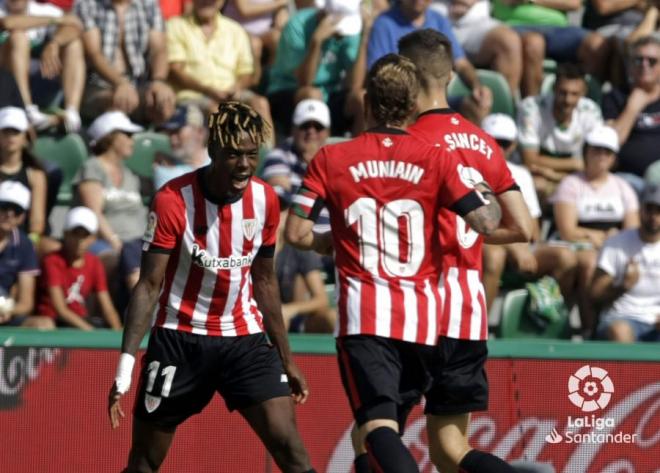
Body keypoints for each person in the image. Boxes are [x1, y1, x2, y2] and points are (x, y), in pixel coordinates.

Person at [285, 53, 505, 473]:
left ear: (366, 103)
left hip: (366, 317)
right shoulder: (438, 158)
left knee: (376, 427)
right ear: (411, 107)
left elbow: (294, 233)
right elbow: (488, 222)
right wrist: (481, 186)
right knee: (376, 438)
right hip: (423, 322)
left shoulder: (331, 159)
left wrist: (330, 241)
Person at [107, 101, 316, 473]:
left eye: (252, 155)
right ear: (214, 150)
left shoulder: (265, 199)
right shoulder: (173, 200)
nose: (244, 165)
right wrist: (125, 366)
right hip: (179, 339)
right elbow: (149, 285)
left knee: (292, 451)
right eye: (234, 155)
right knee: (143, 463)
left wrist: (287, 358)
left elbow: (265, 281)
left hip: (244, 340)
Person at [399, 30, 530, 473]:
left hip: (412, 310)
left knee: (373, 437)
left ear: (407, 76)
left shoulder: (403, 142)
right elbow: (523, 227)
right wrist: (474, 233)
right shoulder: (483, 142)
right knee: (449, 451)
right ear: (450, 76)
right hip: (466, 311)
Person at [480, 113, 578, 311]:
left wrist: (517, 246)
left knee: (567, 258)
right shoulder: (468, 170)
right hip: (487, 243)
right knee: (495, 256)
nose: (497, 148)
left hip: (515, 241)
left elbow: (533, 230)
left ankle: (551, 320)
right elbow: (471, 227)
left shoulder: (521, 174)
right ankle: (479, 329)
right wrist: (512, 246)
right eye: (492, 141)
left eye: (504, 143)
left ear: (513, 145)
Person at [551, 124, 639, 337]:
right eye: (596, 150)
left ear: (613, 158)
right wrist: (597, 237)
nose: (601, 156)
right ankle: (589, 328)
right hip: (577, 247)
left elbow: (633, 228)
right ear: (586, 152)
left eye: (607, 152)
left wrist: (612, 242)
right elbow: (567, 231)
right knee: (591, 263)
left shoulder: (622, 187)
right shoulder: (571, 184)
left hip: (612, 248)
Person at [367, 0, 493, 124]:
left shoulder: (440, 20)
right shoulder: (384, 23)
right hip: (402, 102)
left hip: (440, 101)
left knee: (475, 105)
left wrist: (477, 87)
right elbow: (378, 72)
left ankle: (472, 143)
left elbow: (461, 63)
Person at [166, 0, 273, 128]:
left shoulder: (235, 30)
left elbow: (247, 72)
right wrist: (208, 90)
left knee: (260, 103)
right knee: (215, 110)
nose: (206, 2)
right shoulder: (175, 26)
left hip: (231, 92)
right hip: (194, 94)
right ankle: (228, 148)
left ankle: (268, 148)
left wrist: (237, 87)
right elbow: (175, 70)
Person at [73, 110, 148, 291]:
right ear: (110, 137)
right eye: (128, 135)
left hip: (138, 243)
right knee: (123, 260)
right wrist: (116, 243)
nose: (133, 140)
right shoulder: (92, 167)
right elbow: (94, 213)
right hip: (105, 243)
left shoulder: (130, 175)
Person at [266, 0, 365, 137]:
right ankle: (313, 152)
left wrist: (364, 38)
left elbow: (355, 85)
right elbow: (304, 82)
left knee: (361, 98)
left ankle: (358, 155)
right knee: (312, 94)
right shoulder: (297, 25)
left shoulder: (351, 31)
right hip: (289, 91)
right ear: (324, 13)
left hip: (329, 93)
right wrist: (316, 42)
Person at [73, 0, 176, 124]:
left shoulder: (149, 4)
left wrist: (158, 82)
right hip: (97, 85)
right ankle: (110, 136)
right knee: (117, 102)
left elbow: (159, 49)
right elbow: (94, 54)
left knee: (164, 103)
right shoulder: (87, 4)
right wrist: (121, 83)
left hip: (138, 83)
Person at [517, 62, 603, 205]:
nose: (568, 100)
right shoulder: (531, 108)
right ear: (554, 88)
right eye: (563, 92)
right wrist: (575, 164)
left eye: (574, 94)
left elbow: (594, 163)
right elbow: (530, 160)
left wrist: (553, 173)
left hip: (573, 177)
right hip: (538, 176)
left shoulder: (591, 111)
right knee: (537, 186)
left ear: (583, 92)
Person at [0, 0, 85, 131]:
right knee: (18, 37)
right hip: (7, 87)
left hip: (42, 80)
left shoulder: (43, 9)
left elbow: (76, 25)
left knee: (73, 45)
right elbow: (8, 23)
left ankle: (72, 112)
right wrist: (56, 20)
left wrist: (54, 43)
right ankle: (27, 110)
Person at [591, 183, 660, 342]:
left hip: (656, 322)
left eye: (659, 210)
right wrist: (623, 286)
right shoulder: (616, 243)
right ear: (640, 210)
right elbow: (594, 295)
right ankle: (632, 368)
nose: (653, 216)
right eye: (649, 209)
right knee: (620, 331)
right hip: (621, 318)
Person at [35, 206, 122, 331]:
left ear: (93, 238)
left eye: (85, 236)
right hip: (55, 322)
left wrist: (117, 333)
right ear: (65, 234)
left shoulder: (94, 262)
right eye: (75, 234)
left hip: (80, 320)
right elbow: (60, 309)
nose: (80, 241)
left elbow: (107, 306)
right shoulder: (52, 261)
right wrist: (90, 333)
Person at [603, 35, 660, 194]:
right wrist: (633, 107)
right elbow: (611, 143)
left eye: (652, 61)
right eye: (638, 60)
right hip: (627, 181)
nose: (644, 65)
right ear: (629, 66)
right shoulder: (615, 97)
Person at [0, 180, 50, 328]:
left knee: (44, 325)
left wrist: (7, 311)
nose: (9, 214)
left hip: (7, 314)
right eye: (4, 207)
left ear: (22, 217)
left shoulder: (25, 244)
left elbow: (26, 303)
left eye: (16, 210)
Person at [0, 106, 47, 241]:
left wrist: (26, 246)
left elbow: (37, 222)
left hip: (24, 239)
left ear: (25, 136)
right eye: (6, 132)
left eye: (16, 132)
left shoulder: (36, 176)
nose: (10, 137)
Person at [153, 103, 210, 189]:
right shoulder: (165, 170)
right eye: (169, 132)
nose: (172, 138)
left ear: (200, 132)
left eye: (177, 131)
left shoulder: (219, 159)